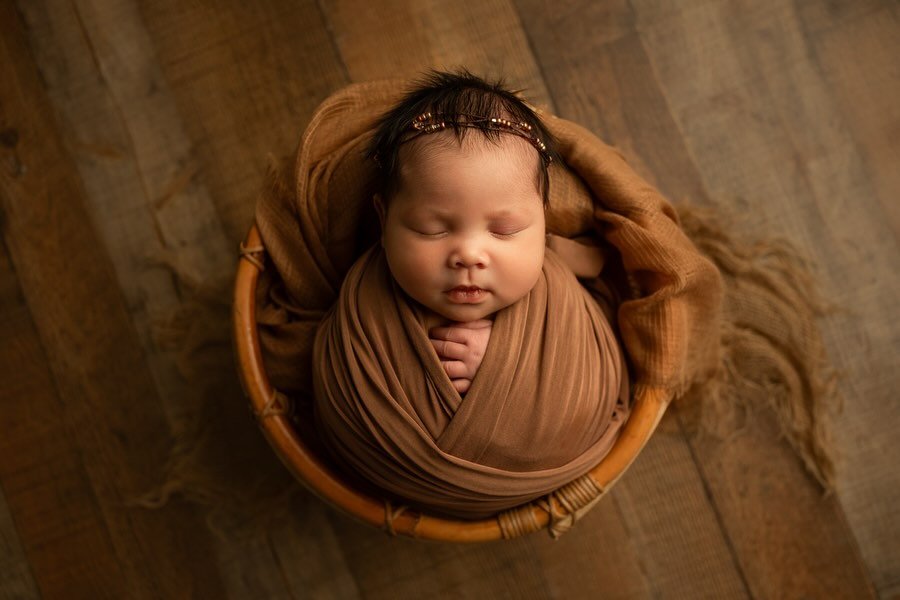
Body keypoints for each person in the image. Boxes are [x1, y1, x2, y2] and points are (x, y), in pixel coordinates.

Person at [368, 70, 562, 395]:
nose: (469, 255)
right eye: (431, 230)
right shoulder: (365, 315)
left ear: (544, 222)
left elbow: (591, 379)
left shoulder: (561, 296)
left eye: (504, 230)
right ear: (383, 221)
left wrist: (504, 363)